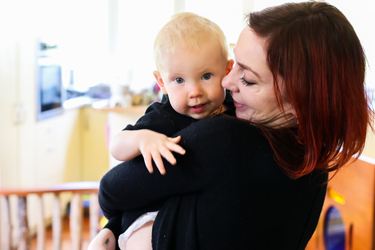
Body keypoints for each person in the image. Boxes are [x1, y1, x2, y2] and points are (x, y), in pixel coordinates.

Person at [94, 1, 374, 249]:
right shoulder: (315, 161)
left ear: (298, 101)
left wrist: (112, 229)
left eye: (248, 79)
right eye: (234, 67)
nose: (226, 83)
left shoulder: (225, 140)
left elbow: (111, 190)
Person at [89, 12, 233, 250]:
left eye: (206, 76)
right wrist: (143, 139)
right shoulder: (163, 116)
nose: (194, 91)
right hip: (147, 216)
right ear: (161, 82)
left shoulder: (233, 109)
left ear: (227, 71)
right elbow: (116, 145)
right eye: (179, 80)